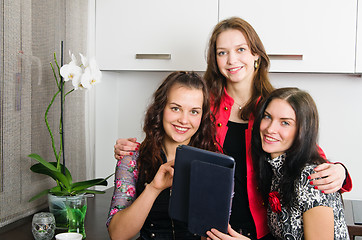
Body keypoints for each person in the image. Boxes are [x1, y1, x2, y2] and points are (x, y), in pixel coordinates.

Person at [113, 17, 352, 239]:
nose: (231, 60)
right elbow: (172, 134)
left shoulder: (274, 107)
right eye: (222, 53)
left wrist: (339, 171)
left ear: (256, 55)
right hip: (214, 229)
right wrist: (132, 149)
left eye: (240, 50)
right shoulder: (204, 105)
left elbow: (307, 153)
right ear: (215, 61)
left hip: (262, 229)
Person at [206, 87, 349, 239]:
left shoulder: (311, 179)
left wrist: (342, 170)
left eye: (285, 123)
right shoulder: (275, 171)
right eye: (267, 117)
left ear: (303, 130)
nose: (270, 129)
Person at [106, 71, 218, 240]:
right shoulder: (131, 159)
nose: (184, 120)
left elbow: (212, 233)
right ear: (161, 109)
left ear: (202, 117)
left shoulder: (214, 164)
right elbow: (117, 234)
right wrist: (154, 188)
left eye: (194, 112)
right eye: (175, 108)